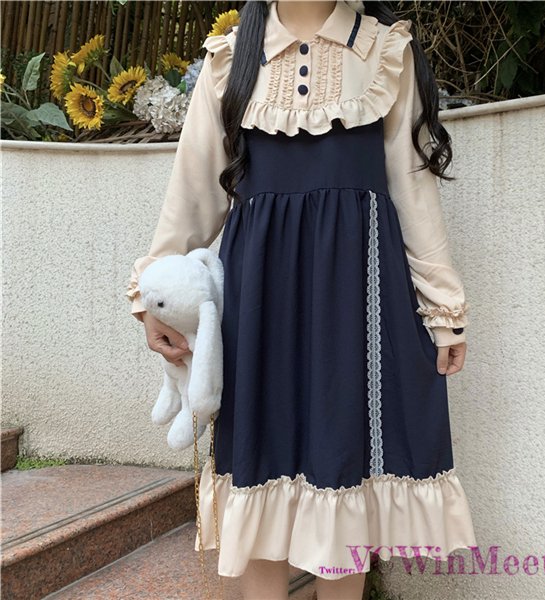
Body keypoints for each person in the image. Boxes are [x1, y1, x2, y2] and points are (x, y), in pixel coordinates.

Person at [126, 1, 477, 598]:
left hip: (359, 298)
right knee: (260, 460)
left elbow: (413, 191)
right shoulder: (231, 60)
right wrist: (149, 296)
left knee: (346, 464)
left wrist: (444, 309)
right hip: (259, 301)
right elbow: (191, 195)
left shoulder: (384, 51)